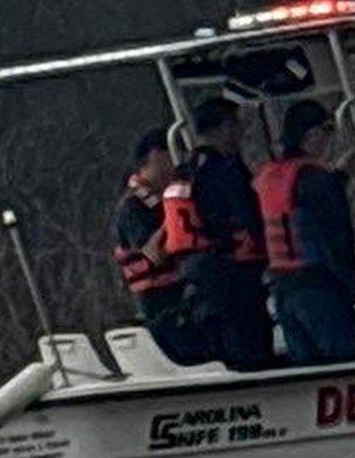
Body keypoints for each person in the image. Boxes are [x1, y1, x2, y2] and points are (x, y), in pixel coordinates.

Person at [253, 100, 355, 364]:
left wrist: (338, 176)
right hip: (318, 288)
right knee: (346, 365)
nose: (329, 140)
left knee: (308, 370)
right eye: (328, 131)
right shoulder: (315, 178)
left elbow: (297, 206)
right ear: (311, 135)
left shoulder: (267, 177)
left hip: (282, 292)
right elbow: (337, 235)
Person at [163, 98, 274, 370]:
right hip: (232, 277)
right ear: (221, 128)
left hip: (199, 278)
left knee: (226, 352)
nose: (240, 132)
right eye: (235, 125)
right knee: (251, 353)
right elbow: (245, 216)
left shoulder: (185, 169)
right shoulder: (221, 170)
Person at [110, 128, 209, 365]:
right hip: (162, 306)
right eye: (169, 155)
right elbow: (153, 253)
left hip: (185, 299)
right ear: (154, 156)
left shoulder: (161, 201)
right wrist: (175, 217)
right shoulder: (133, 207)